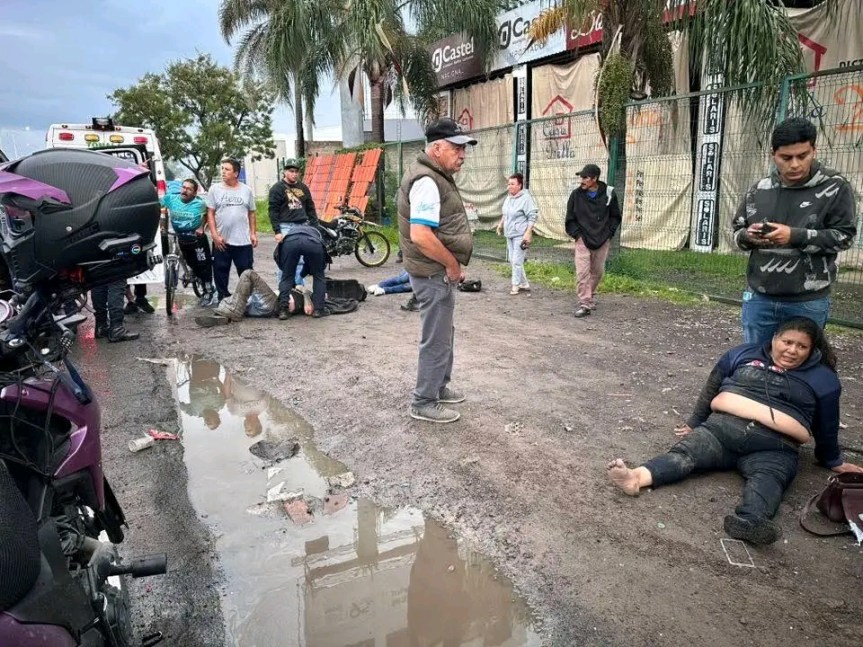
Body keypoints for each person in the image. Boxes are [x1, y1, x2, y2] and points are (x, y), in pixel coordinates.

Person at [607, 316, 863, 545]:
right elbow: (712, 386)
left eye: (802, 346)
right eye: (787, 342)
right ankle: (636, 477)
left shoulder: (823, 379)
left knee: (770, 480)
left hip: (775, 447)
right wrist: (695, 422)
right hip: (720, 432)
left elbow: (827, 423)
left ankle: (751, 521)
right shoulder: (742, 354)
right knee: (685, 454)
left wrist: (832, 459)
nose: (792, 350)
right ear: (774, 338)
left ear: (812, 349)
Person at [733, 117, 857, 345]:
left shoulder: (835, 187)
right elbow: (737, 233)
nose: (795, 165)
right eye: (786, 158)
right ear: (773, 154)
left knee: (800, 363)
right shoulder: (759, 190)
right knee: (755, 360)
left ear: (814, 150)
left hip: (807, 301)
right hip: (760, 298)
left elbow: (844, 237)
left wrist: (794, 236)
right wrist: (748, 236)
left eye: (803, 156)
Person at [398, 117, 476, 424]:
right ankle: (424, 401)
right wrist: (452, 264)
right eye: (457, 148)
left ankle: (439, 387)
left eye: (464, 148)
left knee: (444, 333)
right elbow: (421, 235)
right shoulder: (427, 181)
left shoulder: (435, 175)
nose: (462, 155)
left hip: (435, 270)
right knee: (436, 337)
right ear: (437, 148)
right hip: (432, 273)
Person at [564, 163, 621, 318]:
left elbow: (615, 216)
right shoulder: (576, 195)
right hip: (583, 238)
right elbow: (570, 218)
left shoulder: (609, 194)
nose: (582, 180)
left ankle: (590, 294)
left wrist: (609, 233)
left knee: (597, 272)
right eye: (581, 177)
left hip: (602, 238)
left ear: (595, 178)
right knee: (582, 272)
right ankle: (585, 302)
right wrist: (577, 235)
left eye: (585, 177)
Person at [206, 158, 258, 301]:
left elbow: (252, 213)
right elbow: (210, 213)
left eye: (227, 169)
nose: (223, 172)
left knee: (246, 271)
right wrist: (214, 235)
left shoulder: (246, 190)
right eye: (222, 168)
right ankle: (223, 298)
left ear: (236, 173)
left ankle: (246, 299)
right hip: (222, 241)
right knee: (220, 271)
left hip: (243, 241)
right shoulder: (215, 190)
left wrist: (253, 233)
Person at [162, 178, 216, 306]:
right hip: (181, 238)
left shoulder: (200, 203)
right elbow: (161, 209)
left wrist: (201, 227)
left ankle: (208, 291)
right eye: (183, 187)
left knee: (203, 265)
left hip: (197, 239)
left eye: (189, 189)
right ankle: (194, 275)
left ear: (194, 193)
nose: (185, 190)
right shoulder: (170, 199)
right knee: (191, 263)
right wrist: (162, 226)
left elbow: (208, 215)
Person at [269, 159, 319, 287]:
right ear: (285, 172)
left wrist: (315, 228)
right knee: (287, 258)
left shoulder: (303, 188)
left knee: (301, 258)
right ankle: (284, 288)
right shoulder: (277, 188)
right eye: (291, 171)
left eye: (296, 171)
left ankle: (298, 287)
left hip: (302, 226)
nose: (294, 174)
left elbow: (310, 208)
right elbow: (273, 210)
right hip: (286, 226)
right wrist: (277, 231)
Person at [496, 172, 538, 295]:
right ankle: (524, 283)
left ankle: (515, 285)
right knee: (513, 260)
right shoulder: (509, 197)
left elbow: (533, 216)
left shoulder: (526, 199)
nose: (509, 186)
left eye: (512, 184)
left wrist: (528, 233)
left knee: (516, 261)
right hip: (509, 233)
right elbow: (505, 213)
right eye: (509, 184)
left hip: (521, 234)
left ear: (519, 185)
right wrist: (500, 224)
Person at [275, 224, 329, 319]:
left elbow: (279, 258)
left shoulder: (292, 231)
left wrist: (295, 274)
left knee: (287, 277)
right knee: (319, 276)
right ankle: (318, 310)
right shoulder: (317, 232)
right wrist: (302, 275)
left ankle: (283, 310)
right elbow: (314, 264)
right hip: (312, 243)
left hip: (291, 242)